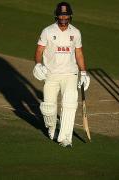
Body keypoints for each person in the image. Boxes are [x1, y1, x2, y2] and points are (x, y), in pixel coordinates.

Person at [33, 2, 90, 147]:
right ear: (56, 16)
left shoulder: (75, 32)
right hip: (51, 74)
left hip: (70, 73)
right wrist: (38, 64)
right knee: (48, 108)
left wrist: (83, 72)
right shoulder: (47, 31)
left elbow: (79, 53)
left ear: (70, 16)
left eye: (66, 15)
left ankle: (66, 138)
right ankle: (52, 127)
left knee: (70, 103)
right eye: (61, 15)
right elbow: (39, 51)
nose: (63, 17)